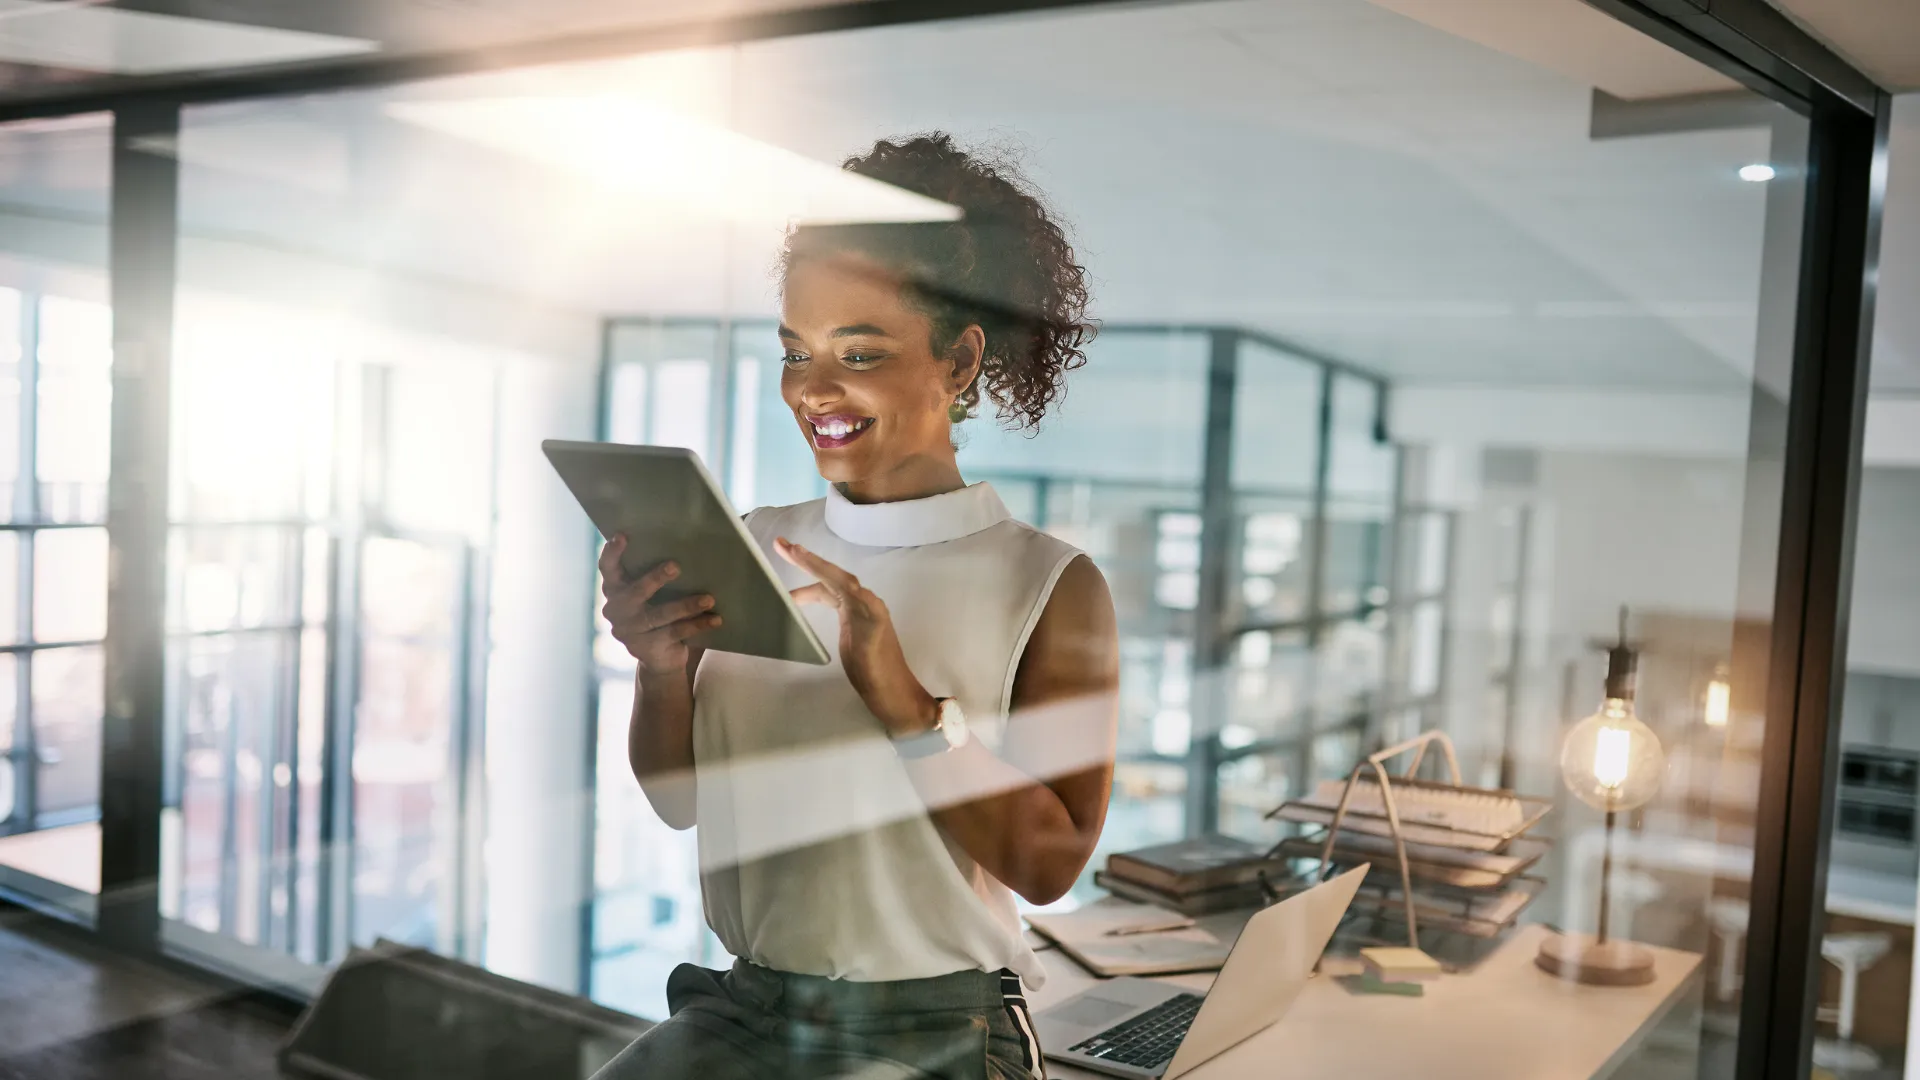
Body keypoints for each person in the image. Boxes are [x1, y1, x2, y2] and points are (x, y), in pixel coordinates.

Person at [591, 134, 1119, 1080]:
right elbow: (677, 800)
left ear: (959, 364)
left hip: (936, 1036)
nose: (814, 390)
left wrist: (911, 715)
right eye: (797, 352)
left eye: (860, 352)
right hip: (746, 1014)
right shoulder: (750, 539)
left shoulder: (1047, 583)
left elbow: (1051, 865)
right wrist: (659, 669)